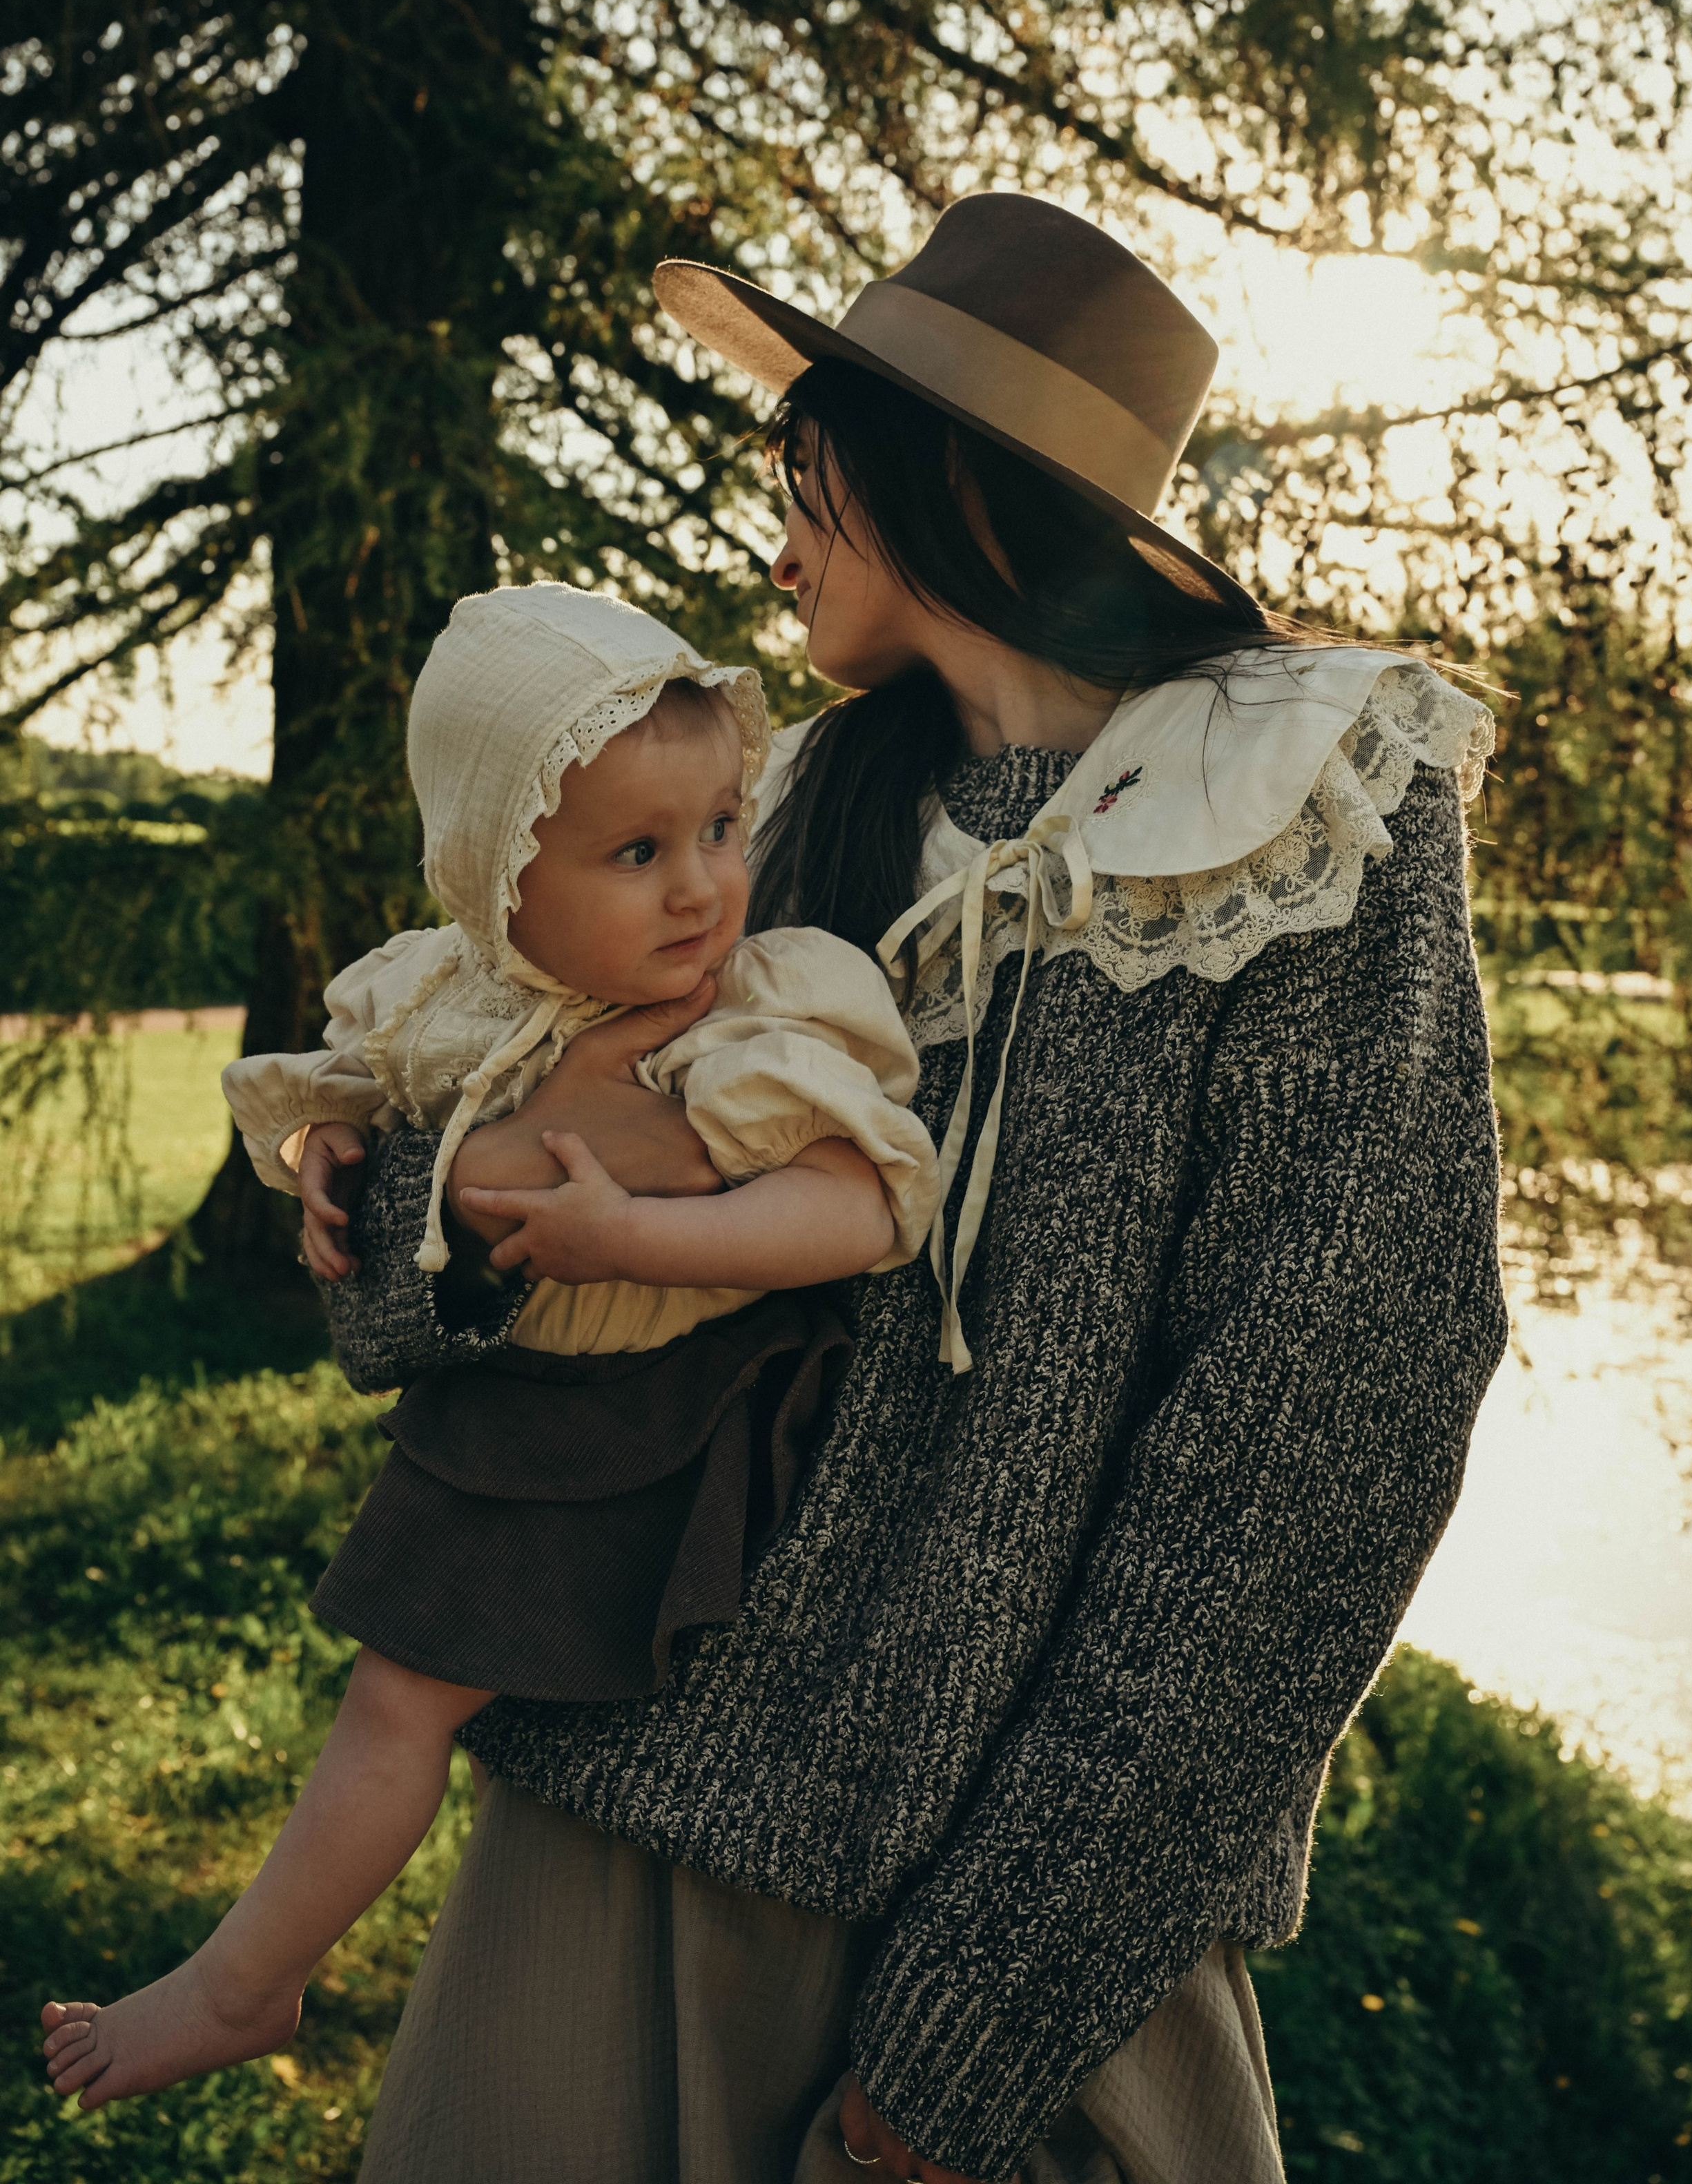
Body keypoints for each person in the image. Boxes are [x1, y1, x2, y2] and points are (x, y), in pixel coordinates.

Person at [185, 193, 1510, 2183]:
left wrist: (990, 2012)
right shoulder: (774, 810)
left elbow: (1328, 1436)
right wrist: (405, 1215)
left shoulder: (1308, 811)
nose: (776, 520)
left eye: (805, 460)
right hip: (618, 1834)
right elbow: (484, 1186)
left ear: (937, 473)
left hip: (1042, 1950)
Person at [39, 583, 939, 2114]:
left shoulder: (756, 1013)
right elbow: (350, 1091)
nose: (700, 890)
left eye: (721, 828)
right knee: (397, 1705)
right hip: (526, 1402)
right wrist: (327, 1149)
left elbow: (861, 1207)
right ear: (495, 883)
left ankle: (244, 1981)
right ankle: (256, 1979)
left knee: (402, 1700)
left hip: (668, 1404)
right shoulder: (455, 992)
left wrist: (643, 1238)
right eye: (636, 853)